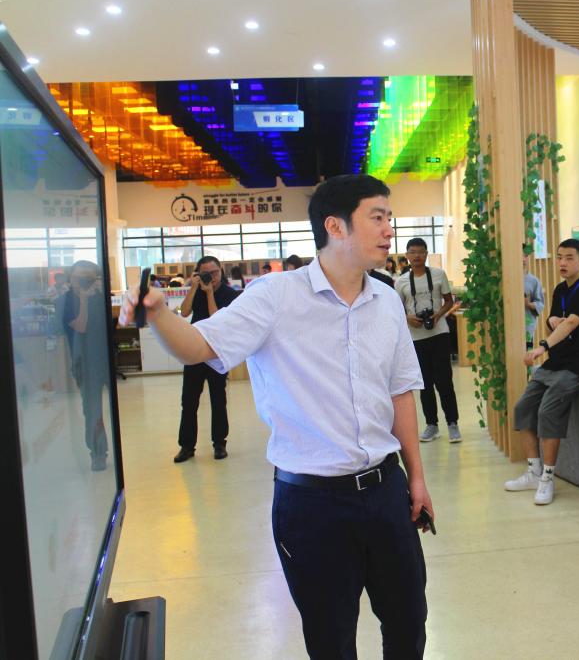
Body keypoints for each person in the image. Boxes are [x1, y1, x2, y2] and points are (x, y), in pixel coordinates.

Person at [118, 174, 433, 658]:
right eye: (377, 217)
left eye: (389, 217)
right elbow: (198, 346)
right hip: (313, 504)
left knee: (409, 623)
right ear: (335, 226)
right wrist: (159, 313)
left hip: (385, 490)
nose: (389, 229)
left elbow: (401, 394)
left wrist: (417, 479)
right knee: (331, 639)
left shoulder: (387, 300)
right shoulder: (276, 296)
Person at [505, 238, 579, 505]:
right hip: (556, 361)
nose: (562, 262)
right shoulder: (560, 289)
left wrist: (542, 346)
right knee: (523, 408)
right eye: (560, 257)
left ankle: (547, 478)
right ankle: (534, 472)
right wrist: (551, 320)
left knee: (547, 412)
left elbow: (570, 324)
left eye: (569, 258)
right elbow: (555, 319)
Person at [173, 256, 239, 463]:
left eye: (215, 272)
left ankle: (219, 443)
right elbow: (184, 312)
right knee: (189, 400)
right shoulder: (196, 290)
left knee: (218, 399)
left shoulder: (229, 294)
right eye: (206, 273)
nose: (211, 277)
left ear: (221, 271)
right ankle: (186, 446)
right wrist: (193, 288)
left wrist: (210, 293)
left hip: (216, 352)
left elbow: (217, 321)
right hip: (194, 351)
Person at [395, 237, 461, 443]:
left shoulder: (439, 274)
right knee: (424, 384)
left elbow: (448, 301)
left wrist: (438, 315)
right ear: (407, 255)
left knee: (444, 381)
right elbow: (396, 308)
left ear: (426, 254)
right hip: (416, 338)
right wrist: (408, 318)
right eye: (413, 252)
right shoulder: (401, 281)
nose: (417, 256)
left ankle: (453, 423)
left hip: (439, 334)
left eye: (421, 252)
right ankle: (432, 425)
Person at [58, 260, 110, 471]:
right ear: (71, 278)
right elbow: (80, 325)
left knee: (114, 410)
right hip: (85, 364)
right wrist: (83, 299)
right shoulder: (66, 300)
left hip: (105, 359)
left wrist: (101, 292)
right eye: (79, 277)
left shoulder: (102, 298)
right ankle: (98, 453)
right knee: (93, 410)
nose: (83, 282)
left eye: (88, 278)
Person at [523, 250, 545, 349]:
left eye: (525, 256)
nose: (523, 259)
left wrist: (528, 304)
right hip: (509, 326)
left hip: (527, 327)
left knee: (528, 353)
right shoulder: (507, 279)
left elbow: (540, 303)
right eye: (520, 256)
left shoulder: (534, 281)